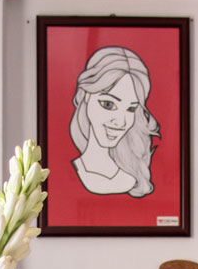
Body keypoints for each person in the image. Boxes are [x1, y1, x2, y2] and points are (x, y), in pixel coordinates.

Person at [68, 46, 159, 198]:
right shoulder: (64, 172)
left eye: (130, 109)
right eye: (108, 105)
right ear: (85, 96)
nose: (121, 122)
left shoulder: (132, 176)